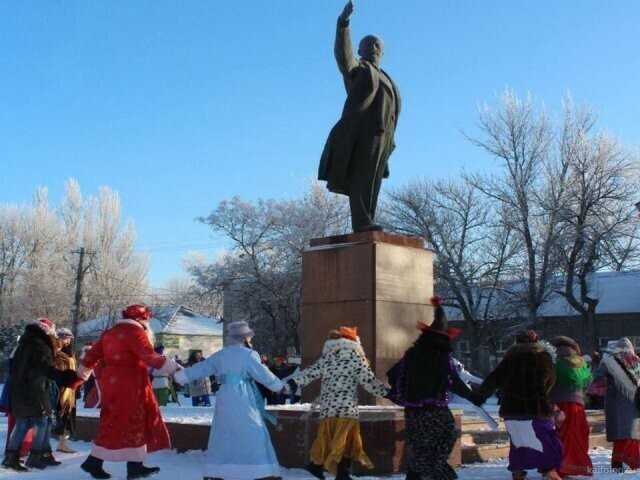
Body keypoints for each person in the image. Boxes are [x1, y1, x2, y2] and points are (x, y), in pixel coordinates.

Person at [318, 0, 401, 233]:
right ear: (360, 50)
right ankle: (362, 223)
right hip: (362, 134)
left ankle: (368, 221)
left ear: (382, 51)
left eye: (376, 45)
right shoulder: (360, 70)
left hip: (383, 138)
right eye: (368, 45)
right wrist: (343, 24)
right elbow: (344, 59)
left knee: (373, 182)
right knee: (361, 178)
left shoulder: (387, 78)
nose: (373, 47)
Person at [75, 304, 181, 480]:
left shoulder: (110, 333)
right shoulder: (135, 332)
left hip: (112, 382)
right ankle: (115, 465)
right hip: (130, 382)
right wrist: (175, 367)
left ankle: (120, 464)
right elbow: (149, 357)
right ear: (141, 319)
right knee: (133, 420)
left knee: (113, 420)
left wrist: (79, 377)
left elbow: (91, 357)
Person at [173, 320, 287, 480]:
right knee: (252, 432)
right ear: (244, 338)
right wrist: (279, 386)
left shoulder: (221, 354)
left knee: (224, 433)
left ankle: (218, 470)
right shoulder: (249, 355)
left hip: (225, 398)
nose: (251, 341)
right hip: (244, 398)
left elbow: (202, 368)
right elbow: (264, 375)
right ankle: (260, 470)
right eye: (249, 338)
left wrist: (180, 376)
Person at [386, 297, 484, 480]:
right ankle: (434, 471)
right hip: (435, 410)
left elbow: (392, 374)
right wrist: (474, 397)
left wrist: (408, 390)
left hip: (413, 411)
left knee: (421, 445)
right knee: (446, 437)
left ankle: (418, 475)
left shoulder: (412, 354)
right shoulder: (441, 357)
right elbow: (454, 382)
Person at [286, 326, 389, 480]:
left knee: (328, 438)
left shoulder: (329, 357)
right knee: (346, 440)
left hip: (328, 408)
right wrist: (388, 393)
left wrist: (294, 382)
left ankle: (316, 466)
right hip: (347, 408)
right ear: (355, 343)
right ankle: (342, 473)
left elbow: (311, 371)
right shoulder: (356, 358)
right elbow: (369, 382)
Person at [477, 330, 563, 480]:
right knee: (547, 441)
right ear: (536, 341)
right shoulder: (543, 357)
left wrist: (479, 396)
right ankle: (548, 471)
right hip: (536, 408)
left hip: (512, 409)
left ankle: (517, 472)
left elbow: (493, 380)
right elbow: (551, 381)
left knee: (518, 442)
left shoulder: (510, 358)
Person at [2, 318, 78, 472]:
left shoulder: (23, 343)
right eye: (51, 331)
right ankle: (35, 456)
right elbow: (45, 367)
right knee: (43, 421)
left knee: (22, 423)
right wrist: (65, 377)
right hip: (35, 389)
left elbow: (12, 366)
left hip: (19, 389)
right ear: (45, 330)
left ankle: (12, 457)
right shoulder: (40, 345)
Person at [592, 337, 640, 472]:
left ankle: (618, 462)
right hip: (634, 403)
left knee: (621, 433)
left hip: (615, 403)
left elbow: (596, 376)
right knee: (632, 434)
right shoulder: (637, 362)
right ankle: (633, 462)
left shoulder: (609, 362)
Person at [549, 336, 593, 477]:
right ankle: (579, 466)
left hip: (560, 404)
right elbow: (588, 382)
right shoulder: (581, 362)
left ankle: (561, 467)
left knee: (562, 434)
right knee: (579, 434)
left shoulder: (555, 362)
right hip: (578, 404)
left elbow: (549, 383)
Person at [53, 328, 79, 454]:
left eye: (69, 338)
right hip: (61, 387)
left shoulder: (70, 352)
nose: (67, 340)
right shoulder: (55, 351)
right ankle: (60, 443)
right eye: (64, 338)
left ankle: (63, 443)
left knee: (68, 416)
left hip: (70, 388)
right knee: (60, 415)